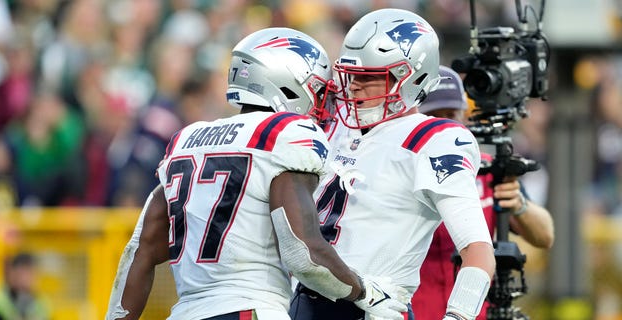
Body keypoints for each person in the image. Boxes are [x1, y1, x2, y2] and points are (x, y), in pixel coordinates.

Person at [105, 27, 409, 320]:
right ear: (289, 85)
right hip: (250, 309)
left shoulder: (187, 139)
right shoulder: (285, 134)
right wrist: (365, 291)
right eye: (317, 90)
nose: (321, 105)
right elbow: (301, 252)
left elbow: (140, 250)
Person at [289, 8, 496, 320]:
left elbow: (478, 251)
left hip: (371, 309)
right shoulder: (337, 127)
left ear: (413, 79)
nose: (354, 86)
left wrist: (458, 316)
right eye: (351, 76)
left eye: (369, 78)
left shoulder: (433, 139)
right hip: (301, 303)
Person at [411, 65, 555, 319]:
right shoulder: (400, 171)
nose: (445, 125)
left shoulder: (487, 168)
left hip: (474, 312)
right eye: (435, 116)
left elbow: (545, 236)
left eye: (452, 114)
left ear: (465, 116)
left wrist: (519, 205)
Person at [0, 252, 51, 320]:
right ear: (11, 274)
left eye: (28, 275)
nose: (24, 279)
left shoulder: (41, 305)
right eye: (20, 274)